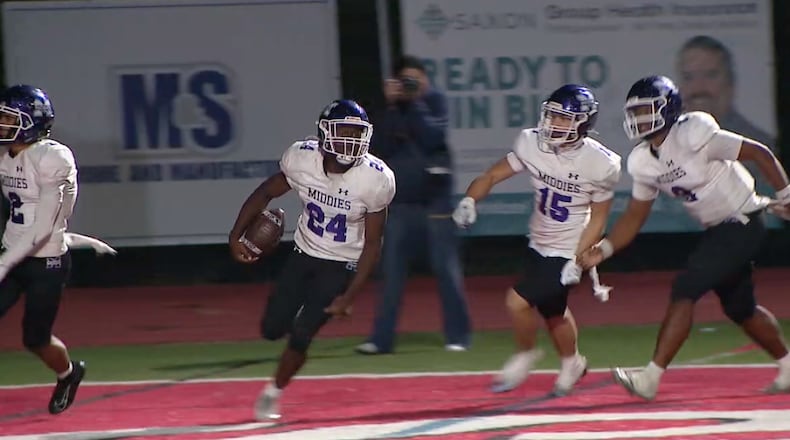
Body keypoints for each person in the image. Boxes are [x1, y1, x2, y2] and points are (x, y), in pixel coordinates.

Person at [579, 75, 790, 400]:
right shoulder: (643, 161)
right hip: (721, 229)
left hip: (742, 220)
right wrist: (603, 250)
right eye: (634, 113)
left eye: (645, 111)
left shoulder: (694, 133)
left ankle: (650, 377)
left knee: (685, 288)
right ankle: (789, 366)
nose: (638, 119)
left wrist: (786, 194)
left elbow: (759, 153)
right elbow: (635, 216)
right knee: (740, 308)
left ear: (668, 108)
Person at [228, 99, 396, 420]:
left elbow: (373, 243)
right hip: (303, 253)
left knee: (303, 333)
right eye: (343, 131)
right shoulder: (301, 159)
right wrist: (235, 235)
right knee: (271, 329)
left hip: (341, 264)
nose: (350, 140)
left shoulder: (375, 179)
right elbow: (266, 191)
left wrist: (350, 296)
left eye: (356, 132)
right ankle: (293, 326)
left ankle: (273, 392)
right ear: (324, 133)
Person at [453, 84, 621, 395]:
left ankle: (525, 351)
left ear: (583, 123)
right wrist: (470, 200)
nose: (554, 124)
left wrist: (577, 257)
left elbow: (598, 217)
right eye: (552, 116)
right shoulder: (533, 143)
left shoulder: (600, 163)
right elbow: (491, 175)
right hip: (539, 240)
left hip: (569, 246)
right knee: (553, 312)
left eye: (563, 119)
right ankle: (572, 362)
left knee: (517, 302)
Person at [356, 55, 471, 355]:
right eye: (405, 81)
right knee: (391, 276)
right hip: (400, 205)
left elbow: (434, 137)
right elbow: (378, 145)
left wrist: (415, 101)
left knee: (447, 272)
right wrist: (392, 105)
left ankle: (458, 336)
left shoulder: (434, 102)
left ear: (425, 81)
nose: (409, 86)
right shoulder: (390, 110)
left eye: (415, 81)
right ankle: (381, 340)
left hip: (436, 204)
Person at [0, 84, 87, 414]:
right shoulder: (6, 154)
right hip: (12, 253)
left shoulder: (53, 157)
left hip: (44, 259)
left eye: (9, 118)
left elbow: (43, 228)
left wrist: (5, 263)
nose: (2, 124)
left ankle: (69, 373)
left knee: (35, 339)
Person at [676, 35, 774, 150]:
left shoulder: (759, 149)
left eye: (710, 75)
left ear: (730, 84)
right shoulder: (663, 147)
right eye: (688, 77)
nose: (698, 87)